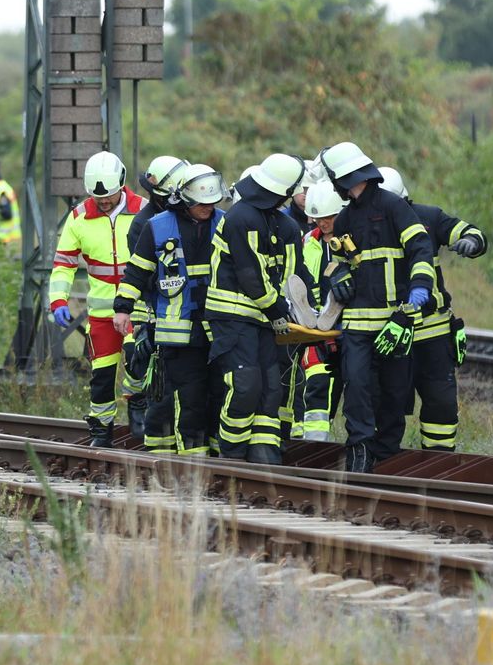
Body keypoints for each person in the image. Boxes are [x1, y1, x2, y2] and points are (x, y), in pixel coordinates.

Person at [317, 142, 435, 473]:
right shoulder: (343, 220)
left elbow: (420, 249)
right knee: (356, 387)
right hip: (356, 324)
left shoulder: (395, 207)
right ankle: (360, 451)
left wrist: (419, 291)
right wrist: (337, 275)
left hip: (394, 321)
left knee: (395, 391)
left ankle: (387, 453)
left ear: (342, 178)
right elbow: (335, 263)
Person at [115, 163, 225, 456]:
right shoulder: (157, 226)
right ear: (186, 199)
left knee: (217, 394)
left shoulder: (226, 223)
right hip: (178, 332)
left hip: (219, 329)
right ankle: (190, 461)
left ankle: (212, 458)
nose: (208, 207)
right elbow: (137, 272)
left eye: (212, 202)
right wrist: (123, 308)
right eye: (202, 202)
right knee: (187, 397)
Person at [378, 165, 488, 451]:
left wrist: (471, 242)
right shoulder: (368, 225)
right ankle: (385, 461)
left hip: (433, 333)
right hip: (390, 334)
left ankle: (439, 461)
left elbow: (467, 230)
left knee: (440, 402)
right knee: (388, 404)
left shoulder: (429, 218)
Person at [205, 153, 305, 463]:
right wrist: (278, 309)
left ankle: (263, 451)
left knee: (271, 387)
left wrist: (298, 311)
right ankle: (232, 454)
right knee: (245, 383)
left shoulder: (286, 226)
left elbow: (293, 274)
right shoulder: (240, 217)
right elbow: (250, 273)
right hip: (232, 317)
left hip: (265, 319)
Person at [48, 150, 146, 447]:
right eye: (98, 198)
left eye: (110, 197)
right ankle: (102, 431)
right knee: (102, 376)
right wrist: (58, 301)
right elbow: (63, 264)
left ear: (122, 184)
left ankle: (139, 407)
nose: (104, 202)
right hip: (102, 316)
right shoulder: (79, 218)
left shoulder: (145, 211)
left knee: (139, 364)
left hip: (139, 310)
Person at [124, 153, 191, 451]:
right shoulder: (144, 225)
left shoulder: (191, 218)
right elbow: (145, 278)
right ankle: (160, 450)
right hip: (158, 315)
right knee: (161, 387)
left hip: (192, 315)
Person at [287, 179, 347, 442]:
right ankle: (314, 443)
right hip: (313, 327)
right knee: (316, 383)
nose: (323, 223)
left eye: (329, 218)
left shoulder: (353, 242)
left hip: (348, 326)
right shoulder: (306, 243)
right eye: (319, 218)